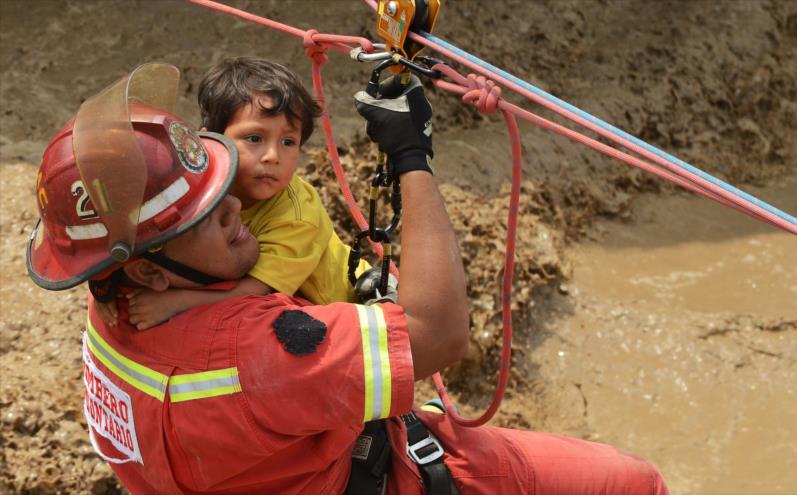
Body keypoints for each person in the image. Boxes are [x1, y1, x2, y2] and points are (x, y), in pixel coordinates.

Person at [27, 62, 668, 494]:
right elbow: (440, 333)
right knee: (631, 482)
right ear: (146, 266)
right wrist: (412, 155)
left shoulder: (115, 305)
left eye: (222, 186)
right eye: (204, 213)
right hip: (376, 473)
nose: (234, 206)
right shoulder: (257, 352)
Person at [96, 57, 373, 330]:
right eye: (255, 138)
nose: (273, 156)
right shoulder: (198, 179)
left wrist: (176, 301)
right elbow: (145, 220)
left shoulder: (297, 215)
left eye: (289, 142)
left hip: (350, 302)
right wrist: (104, 284)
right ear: (210, 141)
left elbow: (256, 290)